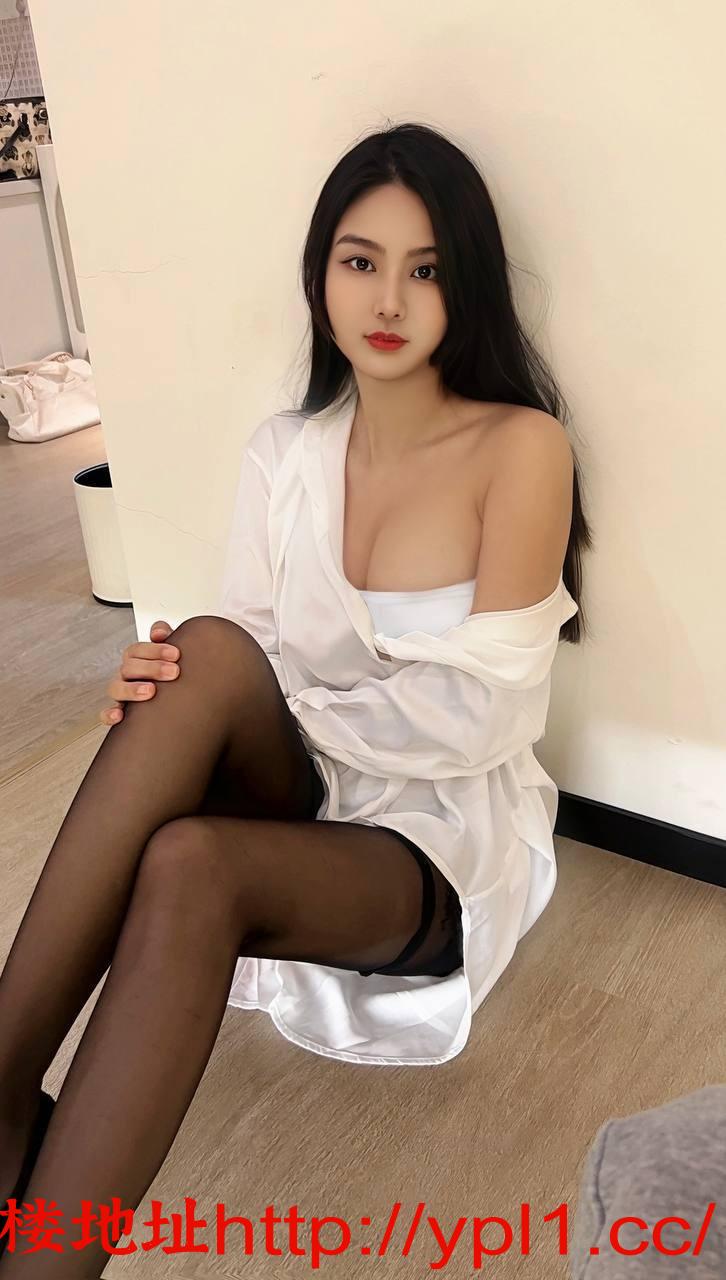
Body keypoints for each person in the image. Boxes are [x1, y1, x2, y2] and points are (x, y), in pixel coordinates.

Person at [0, 122, 592, 1274]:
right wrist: (172, 693)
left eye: (426, 268)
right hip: (312, 783)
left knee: (191, 857)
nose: (389, 299)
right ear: (321, 273)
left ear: (465, 284)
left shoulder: (521, 447)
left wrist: (234, 720)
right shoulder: (287, 450)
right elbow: (252, 658)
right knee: (203, 651)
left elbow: (486, 716)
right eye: (361, 260)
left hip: (438, 830)